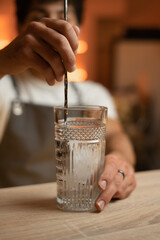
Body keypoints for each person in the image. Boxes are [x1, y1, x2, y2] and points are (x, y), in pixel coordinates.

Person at [0, 0, 136, 211]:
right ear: (21, 28)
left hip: (80, 213)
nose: (53, 28)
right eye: (39, 17)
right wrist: (3, 61)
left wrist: (120, 162)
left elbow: (116, 137)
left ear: (78, 30)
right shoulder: (4, 85)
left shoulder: (93, 93)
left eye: (64, 18)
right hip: (15, 213)